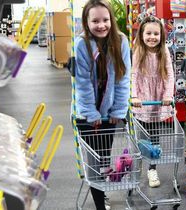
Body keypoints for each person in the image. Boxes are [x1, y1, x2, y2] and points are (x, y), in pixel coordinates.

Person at [74, 0, 131, 209]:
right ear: (86, 22)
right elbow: (83, 83)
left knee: (104, 157)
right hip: (87, 115)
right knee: (93, 161)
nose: (101, 25)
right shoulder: (81, 44)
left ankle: (102, 192)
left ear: (111, 20)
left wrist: (118, 109)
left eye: (105, 20)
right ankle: (99, 203)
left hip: (109, 113)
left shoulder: (121, 41)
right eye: (95, 20)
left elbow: (123, 80)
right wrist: (90, 113)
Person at [131, 15, 174, 188]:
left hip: (157, 99)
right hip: (143, 99)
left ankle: (152, 168)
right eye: (148, 33)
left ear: (161, 35)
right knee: (142, 136)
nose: (152, 37)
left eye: (156, 34)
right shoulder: (138, 51)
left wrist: (168, 95)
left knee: (155, 135)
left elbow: (170, 75)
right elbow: (133, 76)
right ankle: (139, 165)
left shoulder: (164, 51)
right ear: (141, 34)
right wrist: (134, 96)